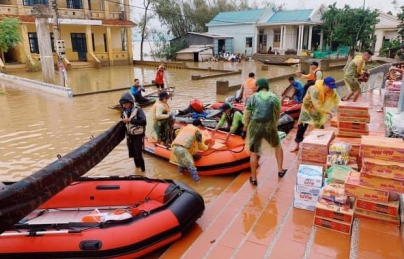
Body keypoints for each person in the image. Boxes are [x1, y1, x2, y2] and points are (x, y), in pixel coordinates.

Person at [242, 78, 287, 185]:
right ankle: (280, 170)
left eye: (255, 86)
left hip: (255, 127)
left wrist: (244, 128)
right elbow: (277, 113)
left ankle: (253, 178)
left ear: (259, 86)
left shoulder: (253, 97)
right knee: (278, 147)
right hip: (270, 126)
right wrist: (274, 125)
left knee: (254, 152)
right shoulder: (274, 97)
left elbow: (247, 114)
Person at [290, 77, 340, 152]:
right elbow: (317, 105)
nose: (331, 89)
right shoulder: (315, 90)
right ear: (325, 85)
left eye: (332, 87)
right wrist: (330, 112)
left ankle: (321, 144)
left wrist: (342, 109)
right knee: (302, 126)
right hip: (308, 108)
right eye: (330, 87)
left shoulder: (332, 91)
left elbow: (338, 100)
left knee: (319, 125)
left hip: (317, 110)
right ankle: (297, 145)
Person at [119, 92, 147, 172]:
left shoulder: (138, 110)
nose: (124, 105)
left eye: (125, 103)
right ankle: (137, 170)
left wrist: (130, 120)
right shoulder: (123, 112)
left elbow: (143, 121)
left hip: (138, 135)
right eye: (123, 104)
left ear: (130, 102)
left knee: (138, 154)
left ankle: (143, 172)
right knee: (133, 154)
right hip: (129, 136)